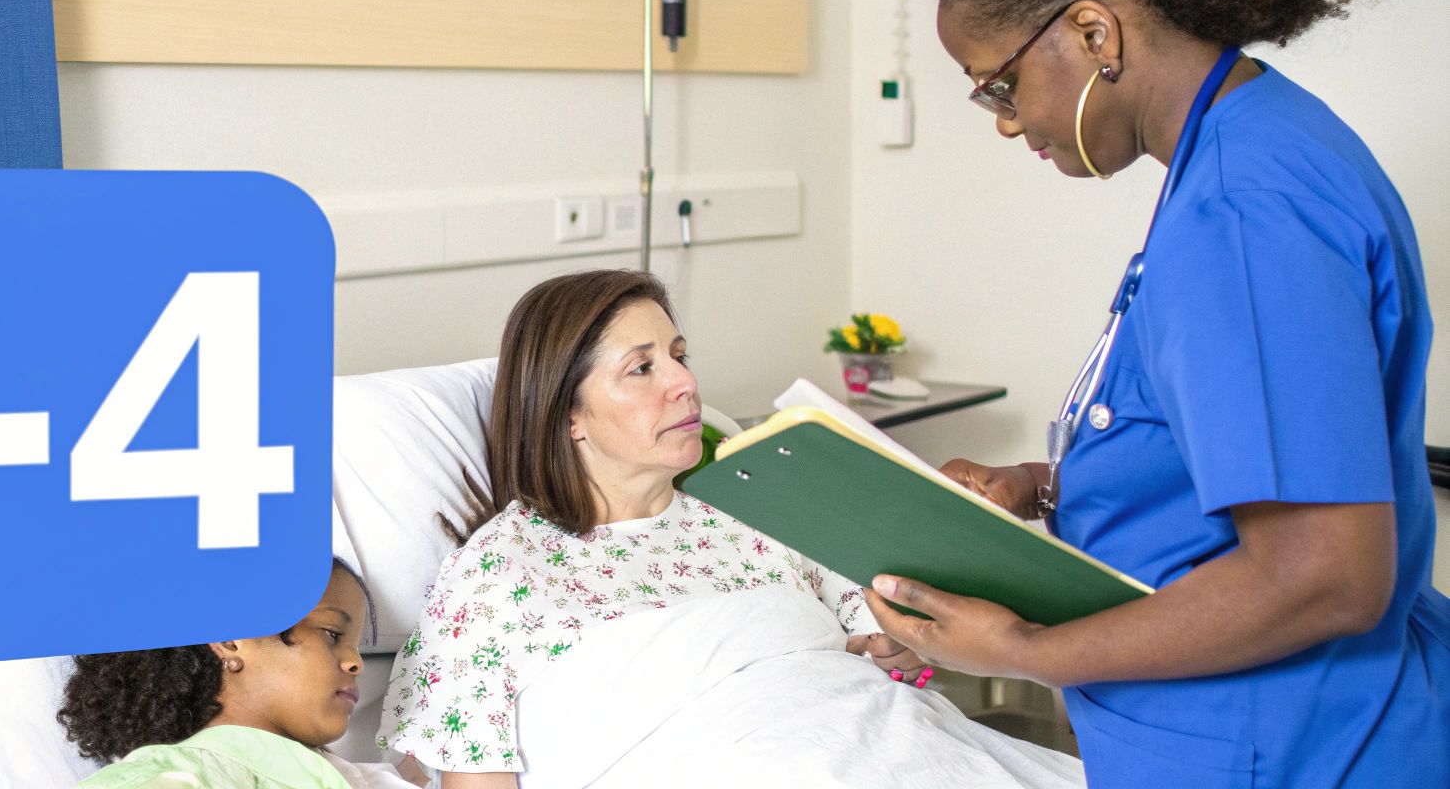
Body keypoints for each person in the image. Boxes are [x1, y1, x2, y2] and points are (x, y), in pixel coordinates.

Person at [862, 0, 1450, 787]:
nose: (1006, 121)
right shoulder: (1245, 149)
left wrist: (1016, 652)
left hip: (1288, 747)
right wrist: (1047, 487)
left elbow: (1322, 577)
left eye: (999, 84)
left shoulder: (1243, 207)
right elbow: (1224, 459)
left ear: (1094, 33)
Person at [379, 269, 1082, 788]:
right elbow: (470, 772)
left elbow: (883, 648)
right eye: (642, 369)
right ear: (566, 414)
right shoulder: (501, 574)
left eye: (679, 355)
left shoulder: (758, 513)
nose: (683, 383)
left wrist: (899, 649)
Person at [61, 559, 424, 789]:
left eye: (358, 647)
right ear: (230, 641)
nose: (355, 663)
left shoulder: (371, 779)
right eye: (331, 634)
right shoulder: (172, 777)